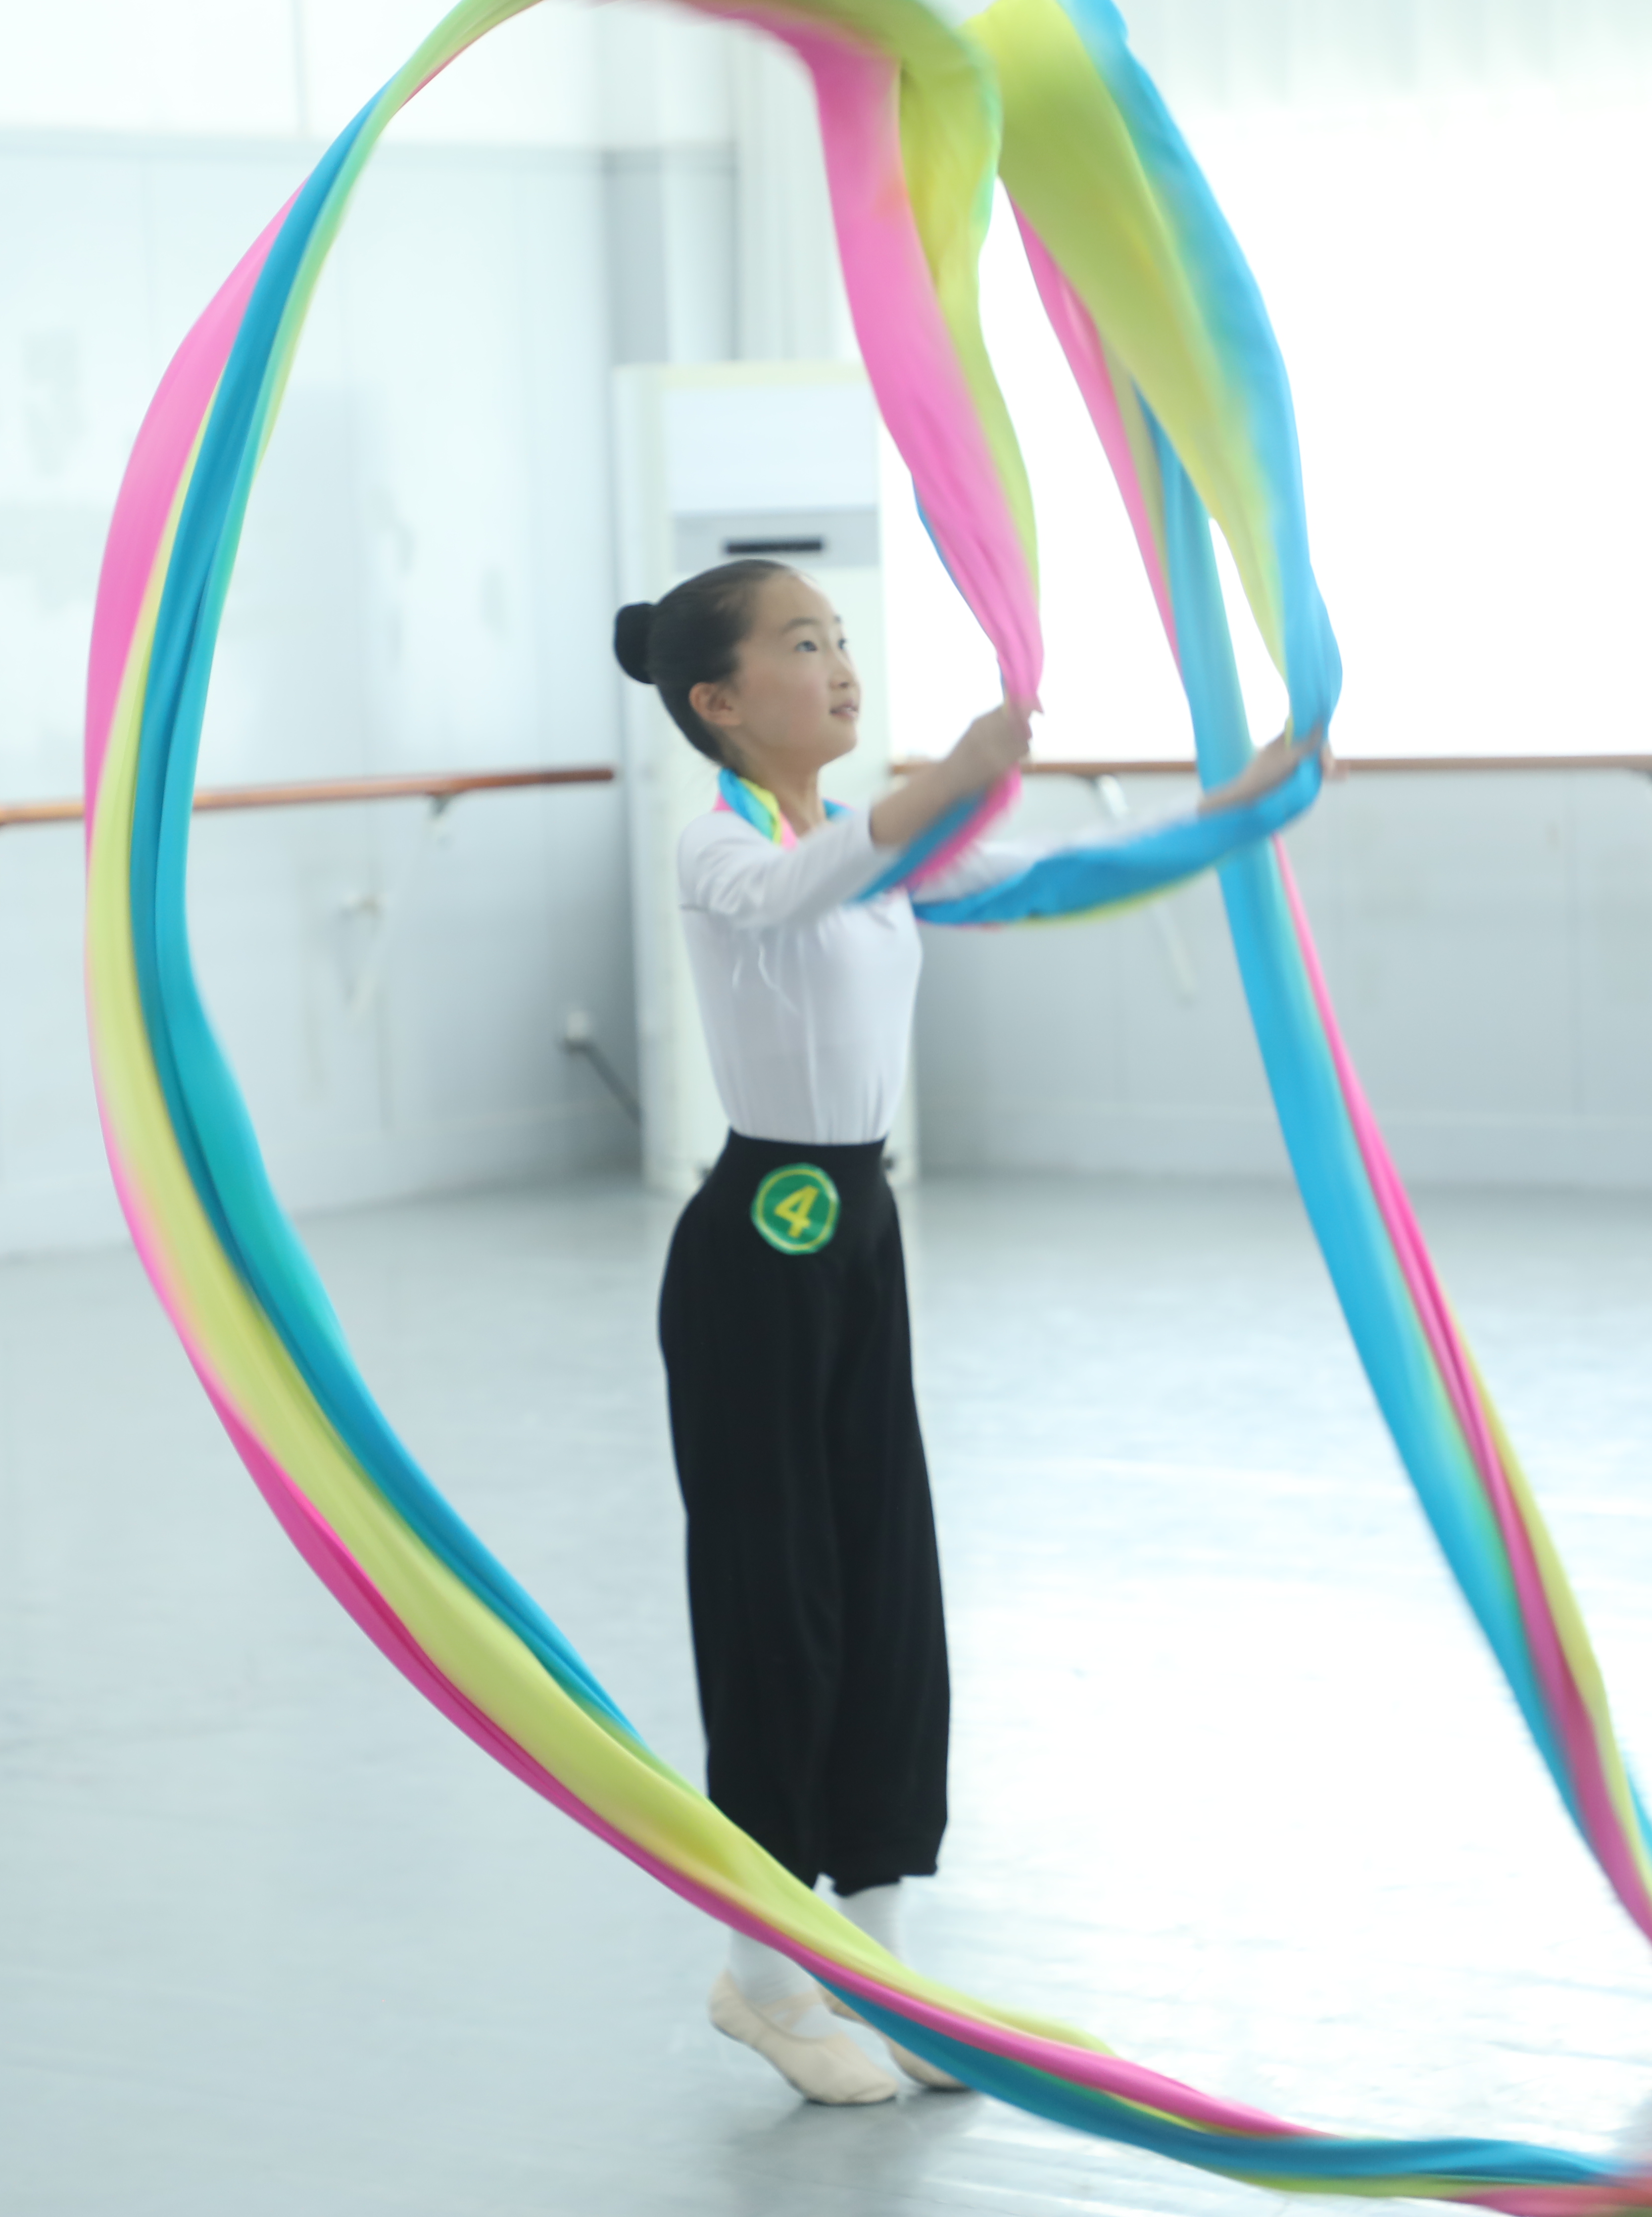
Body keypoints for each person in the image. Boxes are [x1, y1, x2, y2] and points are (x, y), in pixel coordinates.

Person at [615, 558, 1314, 2105]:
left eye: (842, 638)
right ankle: (763, 1976)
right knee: (778, 1610)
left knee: (886, 1600)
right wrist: (951, 780)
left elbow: (1054, 875)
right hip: (758, 1249)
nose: (840, 664)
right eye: (804, 644)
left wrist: (1240, 805)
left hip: (857, 1238)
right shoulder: (720, 848)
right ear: (719, 702)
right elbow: (802, 889)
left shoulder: (878, 854)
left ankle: (880, 1972)